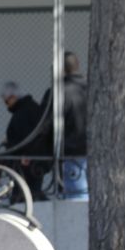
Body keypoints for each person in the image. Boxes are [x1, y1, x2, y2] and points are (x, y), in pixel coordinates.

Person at [39, 51, 88, 199]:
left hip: (70, 156)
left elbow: (44, 126)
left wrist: (40, 151)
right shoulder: (94, 89)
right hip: (96, 155)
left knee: (76, 203)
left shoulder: (58, 93)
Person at [0, 81, 48, 202]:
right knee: (31, 193)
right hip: (33, 161)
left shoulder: (23, 113)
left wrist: (22, 152)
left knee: (23, 195)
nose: (6, 105)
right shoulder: (32, 107)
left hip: (25, 162)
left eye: (6, 101)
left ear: (13, 97)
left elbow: (25, 138)